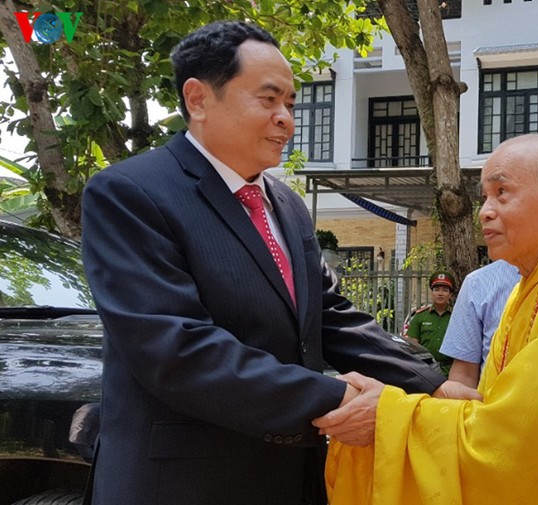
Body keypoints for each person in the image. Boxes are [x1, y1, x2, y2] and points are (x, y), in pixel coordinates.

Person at [80, 21, 469, 505]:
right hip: (184, 481)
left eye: (290, 102)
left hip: (292, 477)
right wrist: (338, 398)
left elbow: (329, 315)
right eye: (268, 100)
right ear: (199, 99)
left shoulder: (283, 203)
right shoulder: (131, 193)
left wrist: (431, 386)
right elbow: (177, 349)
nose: (286, 117)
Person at [315, 134, 538, 504]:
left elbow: (520, 437)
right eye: (484, 198)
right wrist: (405, 401)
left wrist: (392, 416)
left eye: (502, 192)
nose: (485, 212)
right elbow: (492, 412)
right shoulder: (525, 290)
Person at [439, 259, 520, 387]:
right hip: (491, 404)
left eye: (444, 289)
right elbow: (464, 375)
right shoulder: (477, 284)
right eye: (437, 289)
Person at [406, 271, 456, 375]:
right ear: (431, 293)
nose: (440, 293)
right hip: (426, 370)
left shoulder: (457, 317)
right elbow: (412, 345)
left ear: (450, 295)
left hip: (451, 370)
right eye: (436, 290)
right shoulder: (420, 316)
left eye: (445, 290)